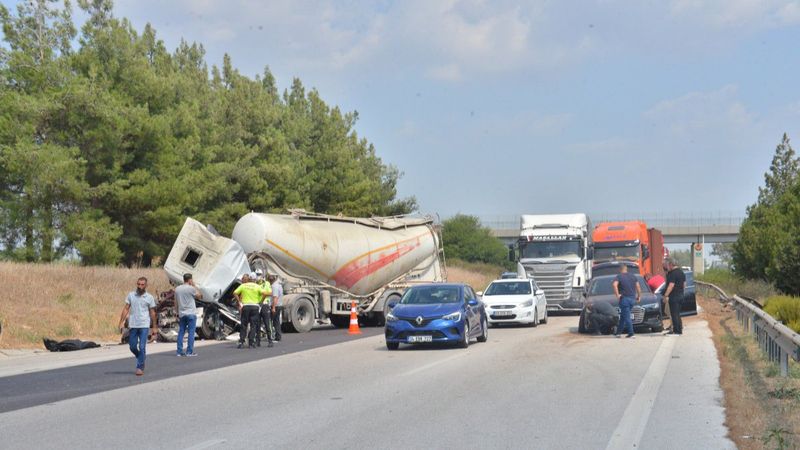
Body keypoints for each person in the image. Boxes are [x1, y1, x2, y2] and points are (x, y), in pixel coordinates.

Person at [118, 277, 157, 376]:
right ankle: (141, 356)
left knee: (142, 346)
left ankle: (140, 367)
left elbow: (152, 313)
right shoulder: (131, 295)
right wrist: (121, 322)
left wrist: (154, 328)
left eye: (142, 284)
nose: (140, 286)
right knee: (132, 346)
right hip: (133, 325)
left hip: (144, 325)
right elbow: (126, 308)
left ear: (146, 285)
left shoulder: (149, 297)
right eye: (138, 284)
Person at [233, 273, 268, 349]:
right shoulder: (257, 286)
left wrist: (239, 302)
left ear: (249, 279)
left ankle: (241, 342)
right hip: (255, 307)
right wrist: (261, 301)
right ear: (255, 280)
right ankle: (251, 342)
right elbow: (265, 293)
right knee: (253, 325)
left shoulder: (243, 285)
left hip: (245, 306)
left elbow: (235, 293)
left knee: (244, 325)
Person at [174, 273, 203, 356]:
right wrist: (194, 285)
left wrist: (176, 312)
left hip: (182, 313)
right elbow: (200, 296)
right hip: (191, 313)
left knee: (181, 332)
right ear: (190, 279)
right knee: (191, 332)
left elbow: (175, 302)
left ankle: (179, 351)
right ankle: (189, 351)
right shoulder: (191, 289)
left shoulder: (177, 289)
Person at [612, 264, 641, 338]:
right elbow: (638, 286)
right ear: (626, 269)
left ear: (620, 269)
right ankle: (618, 332)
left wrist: (617, 295)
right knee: (623, 316)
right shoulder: (633, 276)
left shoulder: (619, 276)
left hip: (624, 299)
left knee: (627, 317)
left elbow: (614, 285)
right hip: (632, 299)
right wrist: (639, 296)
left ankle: (631, 333)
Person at [663, 258, 686, 336]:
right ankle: (679, 330)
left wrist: (665, 295)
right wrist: (680, 291)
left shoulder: (673, 273)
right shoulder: (681, 272)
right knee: (677, 314)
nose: (667, 266)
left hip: (674, 296)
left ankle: (676, 331)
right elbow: (684, 285)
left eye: (667, 265)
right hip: (681, 295)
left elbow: (671, 285)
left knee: (674, 314)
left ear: (671, 264)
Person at [257, 274, 273, 347]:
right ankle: (258, 341)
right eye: (257, 275)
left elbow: (270, 293)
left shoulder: (267, 283)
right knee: (257, 324)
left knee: (267, 323)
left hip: (264, 305)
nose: (258, 276)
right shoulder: (255, 284)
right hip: (257, 305)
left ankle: (270, 340)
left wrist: (263, 294)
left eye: (259, 275)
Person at [269, 275, 284, 342]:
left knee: (274, 322)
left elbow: (275, 297)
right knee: (276, 321)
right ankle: (278, 336)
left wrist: (273, 307)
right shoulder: (279, 285)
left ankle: (277, 337)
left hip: (276, 305)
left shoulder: (274, 286)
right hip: (279, 305)